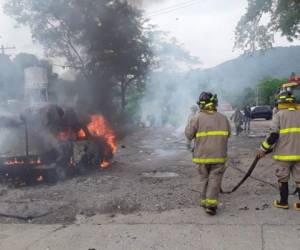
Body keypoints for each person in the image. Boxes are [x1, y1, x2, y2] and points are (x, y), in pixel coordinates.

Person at [185, 92, 231, 215]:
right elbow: (228, 134)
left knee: (203, 178)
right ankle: (211, 205)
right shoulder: (223, 118)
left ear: (200, 105)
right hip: (219, 155)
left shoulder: (196, 118)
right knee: (215, 179)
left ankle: (204, 201)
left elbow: (188, 135)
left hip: (202, 155)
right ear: (215, 103)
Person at [257, 91, 300, 211]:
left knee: (283, 179)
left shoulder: (279, 115)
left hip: (283, 156)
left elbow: (273, 135)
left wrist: (262, 149)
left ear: (280, 102)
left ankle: (283, 202)